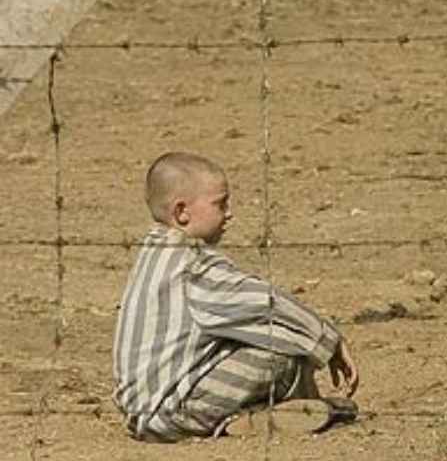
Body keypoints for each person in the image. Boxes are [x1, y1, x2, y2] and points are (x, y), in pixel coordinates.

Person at [112, 152, 360, 441]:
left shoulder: (155, 253)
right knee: (281, 348)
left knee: (251, 335)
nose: (229, 213)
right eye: (221, 203)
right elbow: (264, 302)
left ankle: (249, 418)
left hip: (141, 413)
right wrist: (328, 338)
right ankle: (291, 409)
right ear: (182, 213)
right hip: (172, 410)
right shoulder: (193, 266)